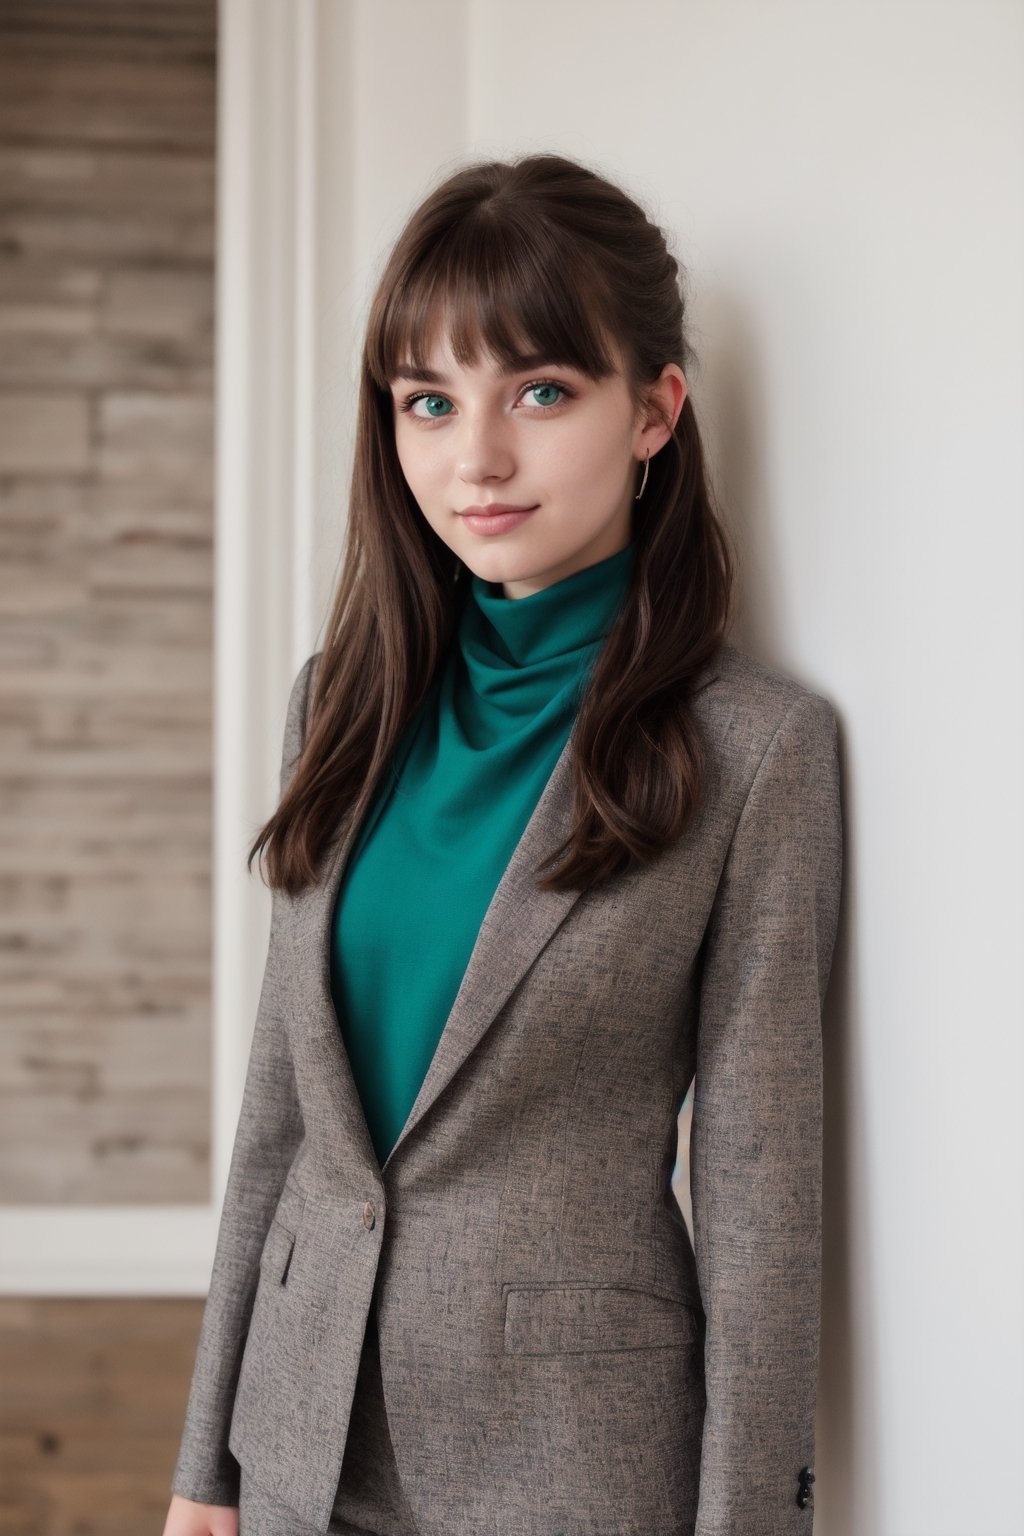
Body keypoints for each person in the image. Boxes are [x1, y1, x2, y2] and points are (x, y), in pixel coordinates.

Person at [162, 151, 842, 1536]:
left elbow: (762, 1191)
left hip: (567, 1470)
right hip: (298, 1444)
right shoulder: (337, 704)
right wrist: (202, 1472)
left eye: (539, 391)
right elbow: (283, 1117)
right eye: (429, 401)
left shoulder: (753, 751)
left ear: (655, 409)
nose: (474, 458)